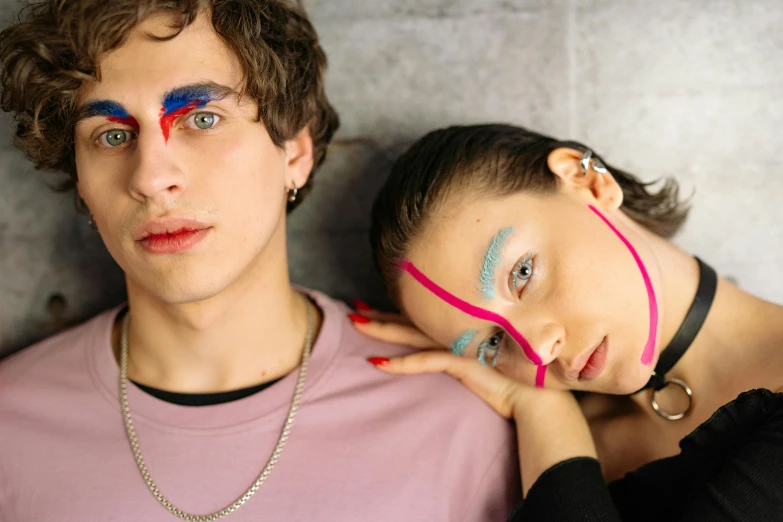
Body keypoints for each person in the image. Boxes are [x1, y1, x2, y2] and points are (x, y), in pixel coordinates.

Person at [0, 4, 520, 521]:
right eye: (112, 135)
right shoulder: (10, 429)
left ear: (294, 152)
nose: (151, 177)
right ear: (84, 184)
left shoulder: (455, 424)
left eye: (202, 119)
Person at [355, 123, 783, 521]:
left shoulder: (555, 461)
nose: (537, 351)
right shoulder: (527, 457)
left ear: (588, 182)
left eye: (522, 274)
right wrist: (544, 412)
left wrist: (546, 421)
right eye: (492, 344)